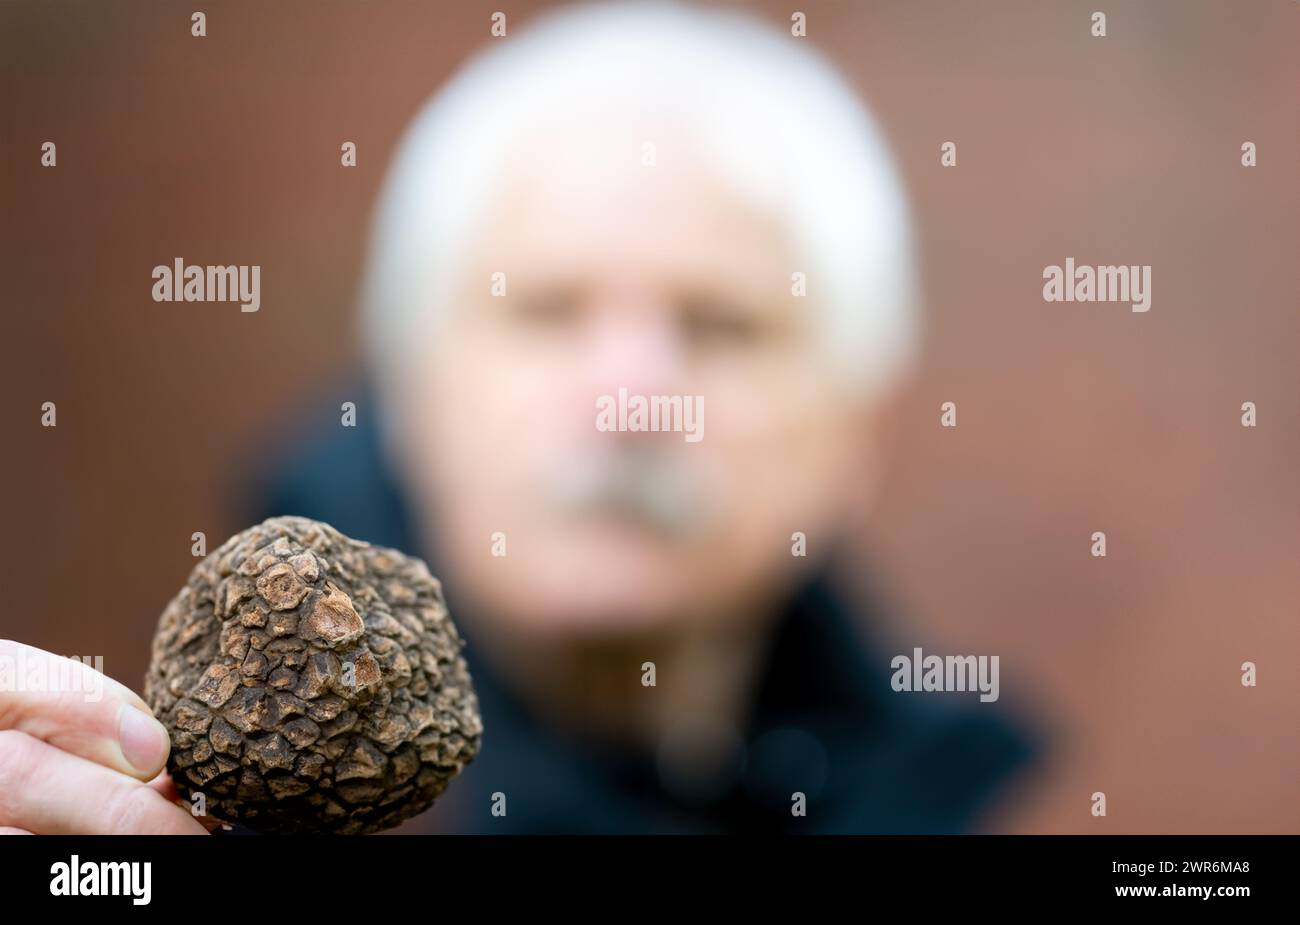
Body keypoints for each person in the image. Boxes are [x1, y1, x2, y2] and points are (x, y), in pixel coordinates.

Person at [0, 2, 1035, 835]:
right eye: (543, 310)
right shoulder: (100, 802)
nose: (631, 398)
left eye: (722, 325)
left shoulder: (936, 803)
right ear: (404, 383)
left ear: (858, 430)